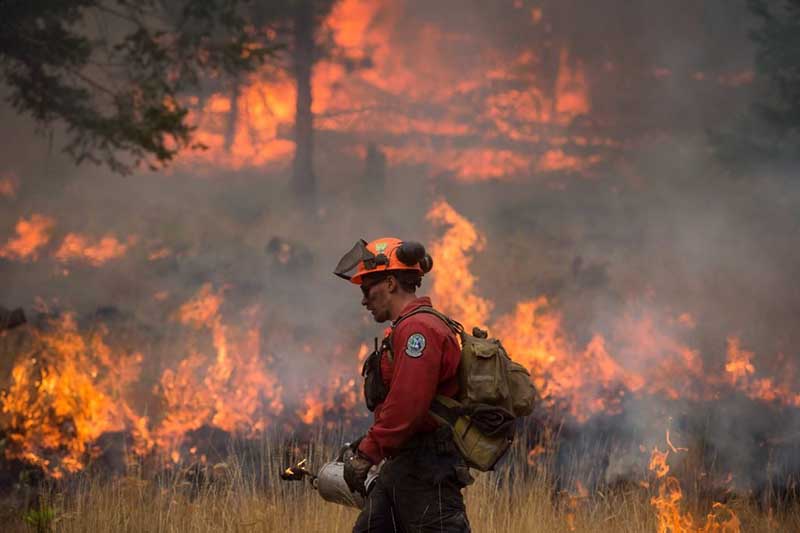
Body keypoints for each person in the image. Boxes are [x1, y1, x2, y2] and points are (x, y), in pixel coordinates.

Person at [333, 237, 472, 533]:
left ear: (391, 283)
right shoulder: (407, 327)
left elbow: (408, 404)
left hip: (427, 472)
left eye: (367, 287)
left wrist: (368, 453)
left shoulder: (417, 329)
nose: (364, 299)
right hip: (402, 468)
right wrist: (370, 443)